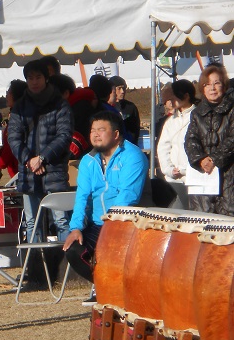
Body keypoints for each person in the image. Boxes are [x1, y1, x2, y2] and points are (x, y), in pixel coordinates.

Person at [62, 111, 148, 300]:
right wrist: (76, 227)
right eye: (93, 130)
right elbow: (82, 197)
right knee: (74, 250)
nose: (95, 134)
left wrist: (110, 225)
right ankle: (107, 287)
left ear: (116, 134)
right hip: (97, 223)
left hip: (125, 223)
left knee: (109, 249)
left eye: (101, 130)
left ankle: (115, 290)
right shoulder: (88, 160)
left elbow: (127, 197)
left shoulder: (132, 156)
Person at [8, 59, 73, 243]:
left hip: (54, 172)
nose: (34, 81)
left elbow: (64, 136)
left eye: (38, 77)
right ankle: (36, 267)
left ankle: (65, 267)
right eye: (30, 78)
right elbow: (13, 137)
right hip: (29, 174)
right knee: (32, 223)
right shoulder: (20, 107)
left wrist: (43, 158)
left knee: (61, 221)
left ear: (46, 79)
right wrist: (29, 160)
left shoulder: (60, 105)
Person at [184, 65, 234, 215]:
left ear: (224, 86)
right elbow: (190, 140)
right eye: (207, 84)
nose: (212, 88)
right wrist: (200, 159)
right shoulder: (196, 114)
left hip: (229, 177)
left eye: (216, 83)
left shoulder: (232, 110)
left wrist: (214, 159)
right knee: (202, 221)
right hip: (203, 179)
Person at [157, 80, 197, 209]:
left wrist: (186, 170)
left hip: (195, 179)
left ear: (186, 96)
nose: (170, 100)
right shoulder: (171, 121)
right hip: (174, 180)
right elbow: (163, 148)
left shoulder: (199, 116)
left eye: (174, 96)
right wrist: (169, 170)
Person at [0, 79, 26, 179]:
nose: (6, 96)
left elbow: (12, 144)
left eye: (8, 93)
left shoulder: (19, 116)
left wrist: (0, 163)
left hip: (21, 170)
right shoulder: (15, 114)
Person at [110, 75, 140, 144]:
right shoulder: (107, 107)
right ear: (113, 89)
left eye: (124, 88)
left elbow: (135, 130)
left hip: (129, 144)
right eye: (119, 88)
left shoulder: (131, 107)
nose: (122, 91)